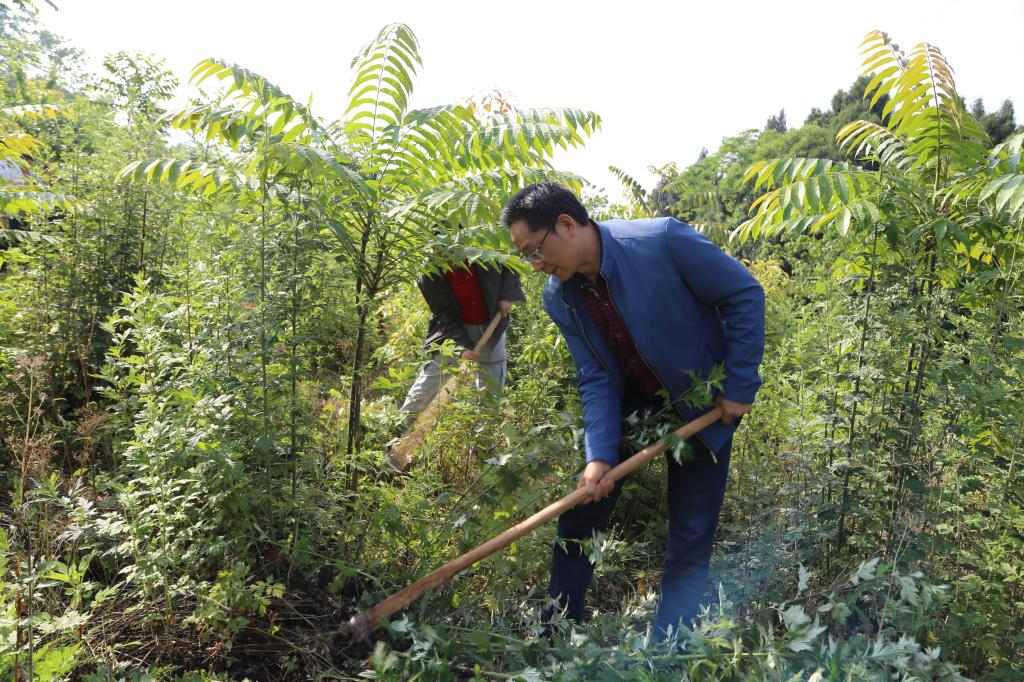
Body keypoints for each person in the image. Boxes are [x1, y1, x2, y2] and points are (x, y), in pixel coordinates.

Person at [502, 182, 765, 640]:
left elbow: (743, 294)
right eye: (527, 257)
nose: (536, 264)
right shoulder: (559, 297)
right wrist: (599, 456)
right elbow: (596, 375)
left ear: (566, 224)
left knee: (690, 529)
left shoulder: (661, 240)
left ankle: (671, 646)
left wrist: (740, 383)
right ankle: (557, 633)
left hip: (702, 402)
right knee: (582, 511)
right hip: (633, 404)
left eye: (535, 250)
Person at [395, 259, 525, 428]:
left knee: (491, 398)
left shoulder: (483, 248)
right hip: (452, 333)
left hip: (492, 330)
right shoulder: (429, 273)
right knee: (428, 383)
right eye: (439, 252)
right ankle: (397, 436)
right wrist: (460, 348)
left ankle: (483, 448)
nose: (443, 255)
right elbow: (443, 314)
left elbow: (510, 263)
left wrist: (507, 294)